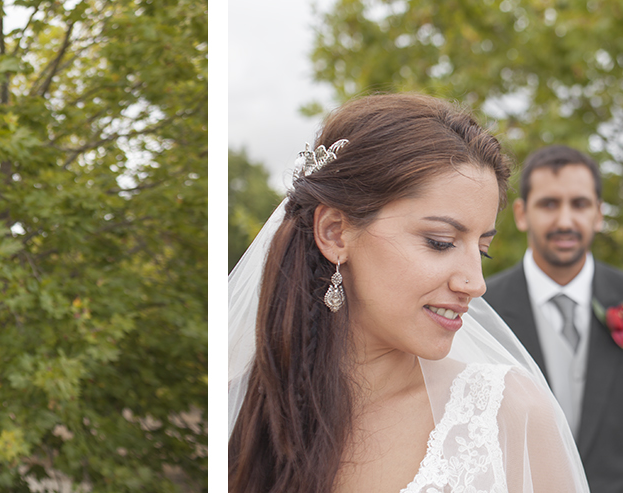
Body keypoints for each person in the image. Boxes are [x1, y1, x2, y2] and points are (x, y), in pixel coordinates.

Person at [229, 94, 588, 493]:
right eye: (440, 242)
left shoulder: (508, 414)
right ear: (334, 232)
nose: (475, 282)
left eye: (482, 249)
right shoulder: (240, 410)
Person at [482, 145, 623, 493]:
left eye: (580, 204)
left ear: (599, 213)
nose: (565, 221)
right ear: (522, 213)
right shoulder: (484, 307)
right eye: (549, 204)